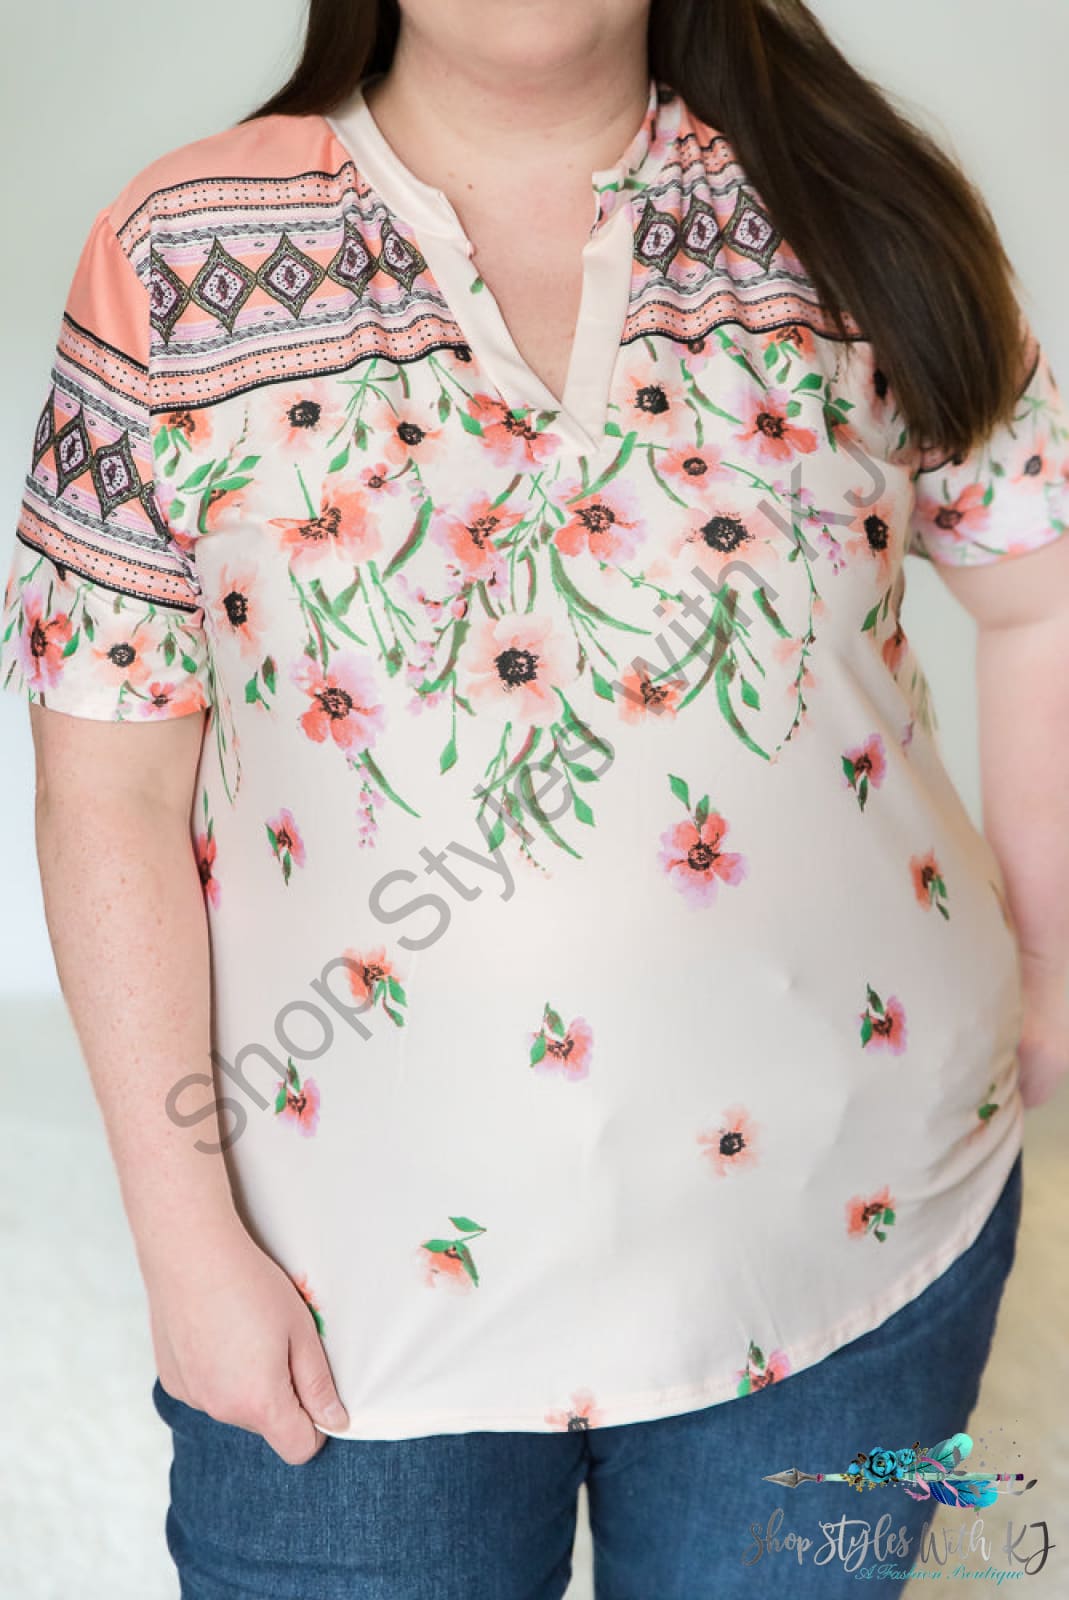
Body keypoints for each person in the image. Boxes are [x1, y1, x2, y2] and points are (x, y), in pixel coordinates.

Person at [3, 1, 1066, 1595]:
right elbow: (110, 785)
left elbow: (1038, 584)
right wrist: (185, 1244)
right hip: (348, 1293)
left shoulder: (856, 213)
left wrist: (1048, 966)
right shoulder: (176, 253)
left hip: (855, 1241)